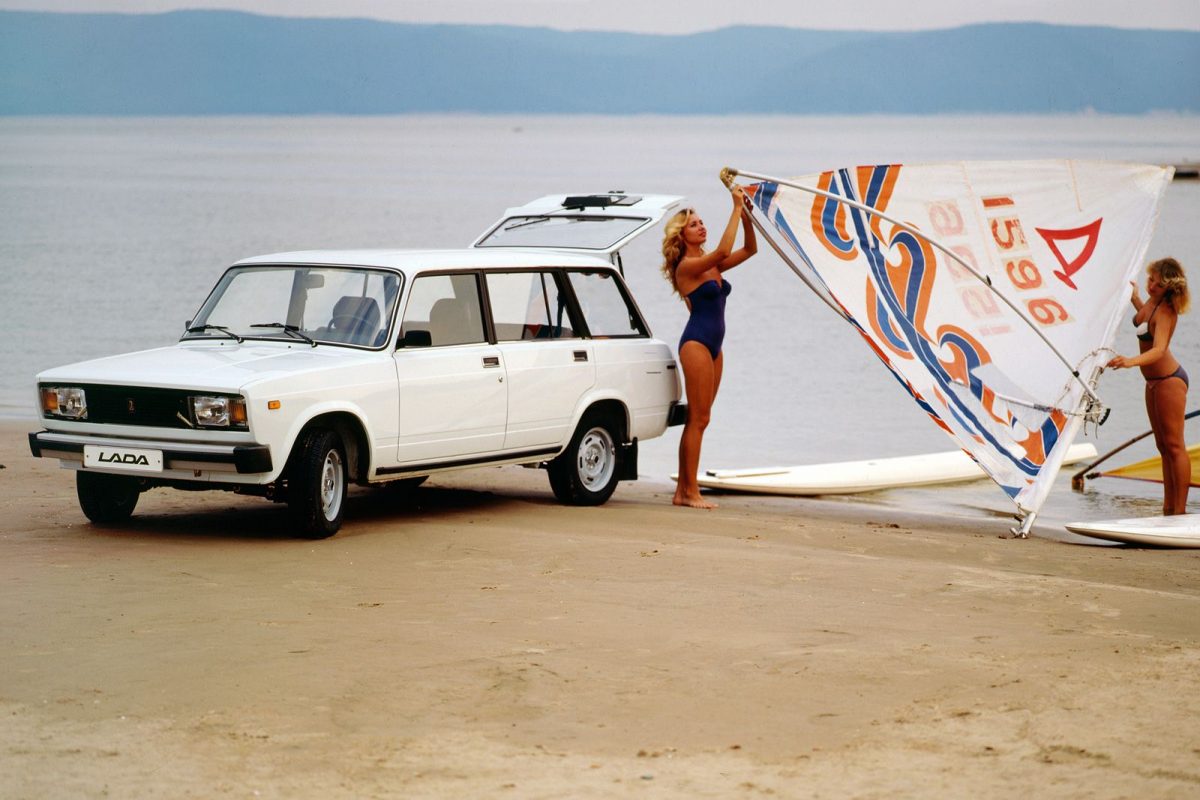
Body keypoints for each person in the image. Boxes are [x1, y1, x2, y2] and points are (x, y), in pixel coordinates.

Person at [661, 185, 757, 508]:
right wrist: (735, 207)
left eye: (701, 222)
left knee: (701, 419)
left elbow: (750, 249)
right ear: (682, 236)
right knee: (698, 420)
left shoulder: (710, 265)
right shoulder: (687, 267)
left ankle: (682, 492)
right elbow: (723, 250)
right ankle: (690, 492)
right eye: (694, 225)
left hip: (715, 348)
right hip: (696, 344)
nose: (701, 227)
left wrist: (746, 216)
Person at [1107, 257, 1191, 515]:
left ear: (1168, 287)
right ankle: (1168, 508)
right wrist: (1134, 297)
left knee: (1175, 446)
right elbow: (1144, 321)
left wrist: (1130, 361)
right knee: (1162, 446)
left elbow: (1159, 350)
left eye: (1157, 283)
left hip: (1169, 381)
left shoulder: (1166, 311)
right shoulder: (1152, 303)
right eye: (1150, 279)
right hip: (1153, 382)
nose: (1151, 285)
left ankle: (1179, 512)